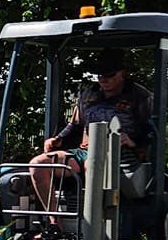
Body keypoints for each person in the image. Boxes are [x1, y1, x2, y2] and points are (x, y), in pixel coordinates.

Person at [30, 60, 155, 214]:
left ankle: (94, 227)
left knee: (93, 165)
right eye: (100, 75)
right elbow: (75, 124)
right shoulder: (88, 95)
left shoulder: (140, 96)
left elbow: (151, 131)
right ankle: (55, 225)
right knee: (38, 165)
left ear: (123, 73)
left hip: (121, 155)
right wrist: (58, 138)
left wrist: (133, 141)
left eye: (109, 75)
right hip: (86, 151)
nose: (103, 79)